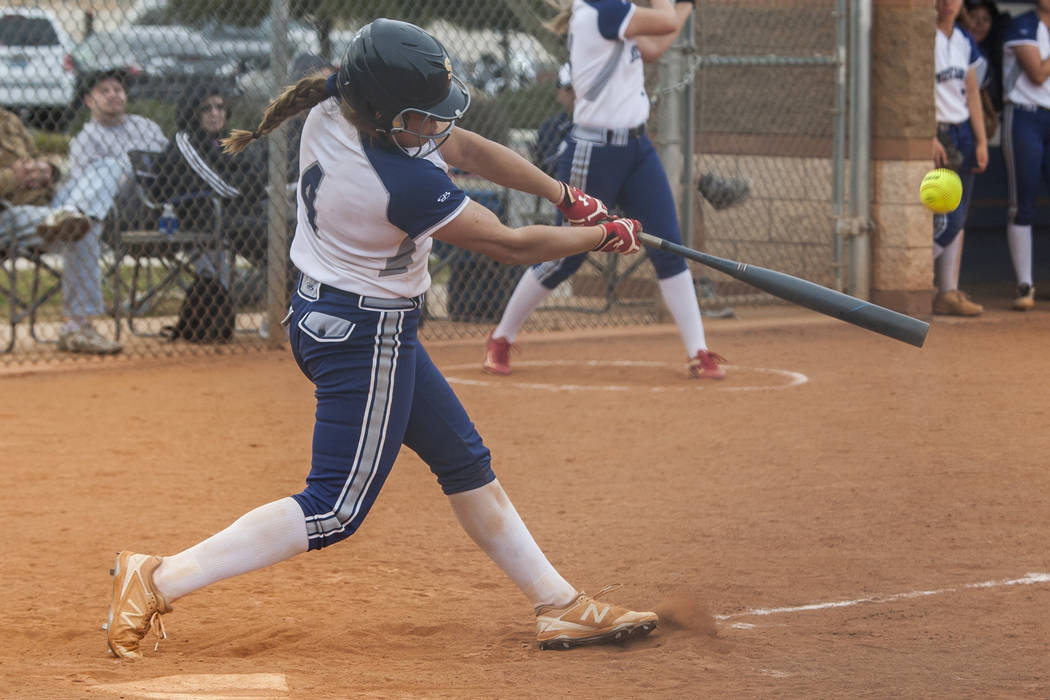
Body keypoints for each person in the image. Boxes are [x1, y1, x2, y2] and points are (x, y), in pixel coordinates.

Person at [104, 18, 656, 659]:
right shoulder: (400, 183)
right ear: (385, 114)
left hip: (332, 314)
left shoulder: (336, 110)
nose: (435, 127)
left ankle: (559, 605)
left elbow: (469, 148)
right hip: (365, 336)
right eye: (421, 117)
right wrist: (603, 236)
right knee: (333, 507)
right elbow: (507, 245)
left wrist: (570, 197)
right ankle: (158, 575)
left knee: (462, 460)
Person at [483, 0, 727, 379]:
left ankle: (699, 350)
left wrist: (687, 6)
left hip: (637, 148)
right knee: (566, 255)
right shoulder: (602, 11)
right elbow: (663, 20)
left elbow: (654, 46)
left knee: (669, 245)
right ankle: (500, 338)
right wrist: (673, 8)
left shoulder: (616, 13)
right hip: (593, 151)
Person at [60, 69, 169, 353]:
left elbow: (170, 166)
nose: (113, 95)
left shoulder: (146, 127)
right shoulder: (86, 139)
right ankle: (71, 212)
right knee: (107, 170)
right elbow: (87, 186)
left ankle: (215, 300)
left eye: (117, 89)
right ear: (88, 101)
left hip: (161, 205)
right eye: (104, 90)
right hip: (116, 216)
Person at [0, 105, 123, 354]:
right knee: (83, 226)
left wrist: (47, 169)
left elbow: (38, 156)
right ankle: (76, 328)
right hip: (9, 211)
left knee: (107, 166)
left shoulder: (8, 120)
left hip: (44, 205)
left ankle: (70, 214)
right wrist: (14, 178)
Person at [151, 81, 269, 287]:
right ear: (193, 111)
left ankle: (281, 290)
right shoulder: (186, 140)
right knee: (265, 230)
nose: (215, 113)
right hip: (198, 215)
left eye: (220, 107)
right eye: (206, 108)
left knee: (284, 227)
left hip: (232, 211)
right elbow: (223, 186)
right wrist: (247, 185)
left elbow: (256, 177)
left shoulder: (225, 140)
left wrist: (247, 184)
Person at [931, 0, 988, 316]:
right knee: (947, 217)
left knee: (960, 216)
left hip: (962, 131)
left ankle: (948, 291)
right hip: (940, 135)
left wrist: (981, 139)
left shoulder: (963, 39)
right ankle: (916, 279)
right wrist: (929, 135)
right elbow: (917, 91)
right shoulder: (926, 36)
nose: (947, 3)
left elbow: (973, 91)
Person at [1001, 0, 1050, 310]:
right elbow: (1038, 73)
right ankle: (1025, 286)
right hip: (1024, 117)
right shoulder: (1023, 24)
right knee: (1023, 202)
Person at [964, 0, 1008, 140]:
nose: (979, 24)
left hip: (975, 131)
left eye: (986, 19)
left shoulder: (990, 54)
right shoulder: (952, 45)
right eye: (973, 17)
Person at [533, 63, 575, 177]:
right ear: (558, 92)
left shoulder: (601, 125)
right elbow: (545, 166)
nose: (575, 94)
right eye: (569, 89)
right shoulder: (551, 127)